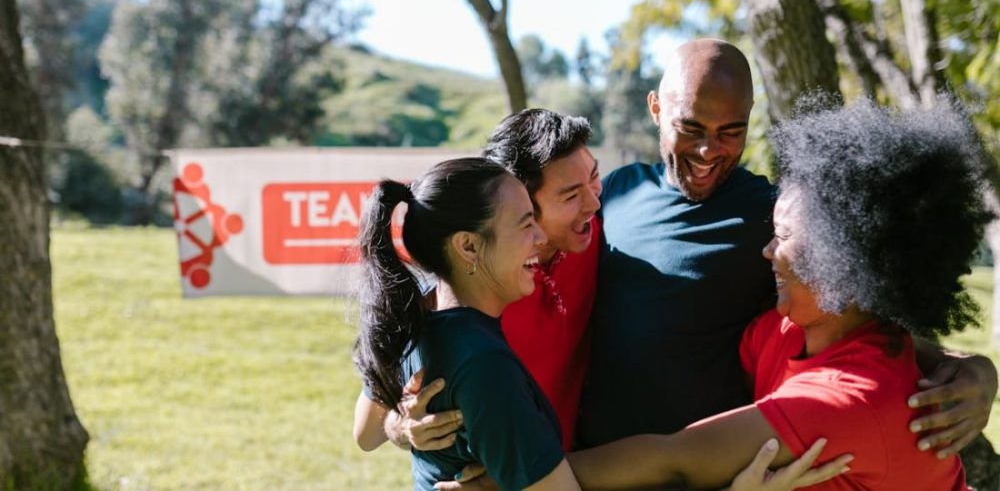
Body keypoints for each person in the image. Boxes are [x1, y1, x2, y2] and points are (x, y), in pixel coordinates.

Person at [577, 39, 998, 457]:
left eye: (731, 131)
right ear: (656, 108)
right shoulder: (615, 191)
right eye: (691, 128)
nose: (708, 150)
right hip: (584, 465)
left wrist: (977, 371)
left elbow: (868, 332)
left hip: (702, 471)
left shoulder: (778, 220)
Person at [352, 157, 849, 490]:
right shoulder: (484, 365)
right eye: (525, 224)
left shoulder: (423, 320)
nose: (538, 238)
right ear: (467, 246)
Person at [352, 109, 602, 453]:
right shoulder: (459, 295)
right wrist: (404, 427)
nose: (594, 201)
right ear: (519, 200)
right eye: (571, 196)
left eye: (594, 177)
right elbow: (366, 432)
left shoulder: (594, 232)